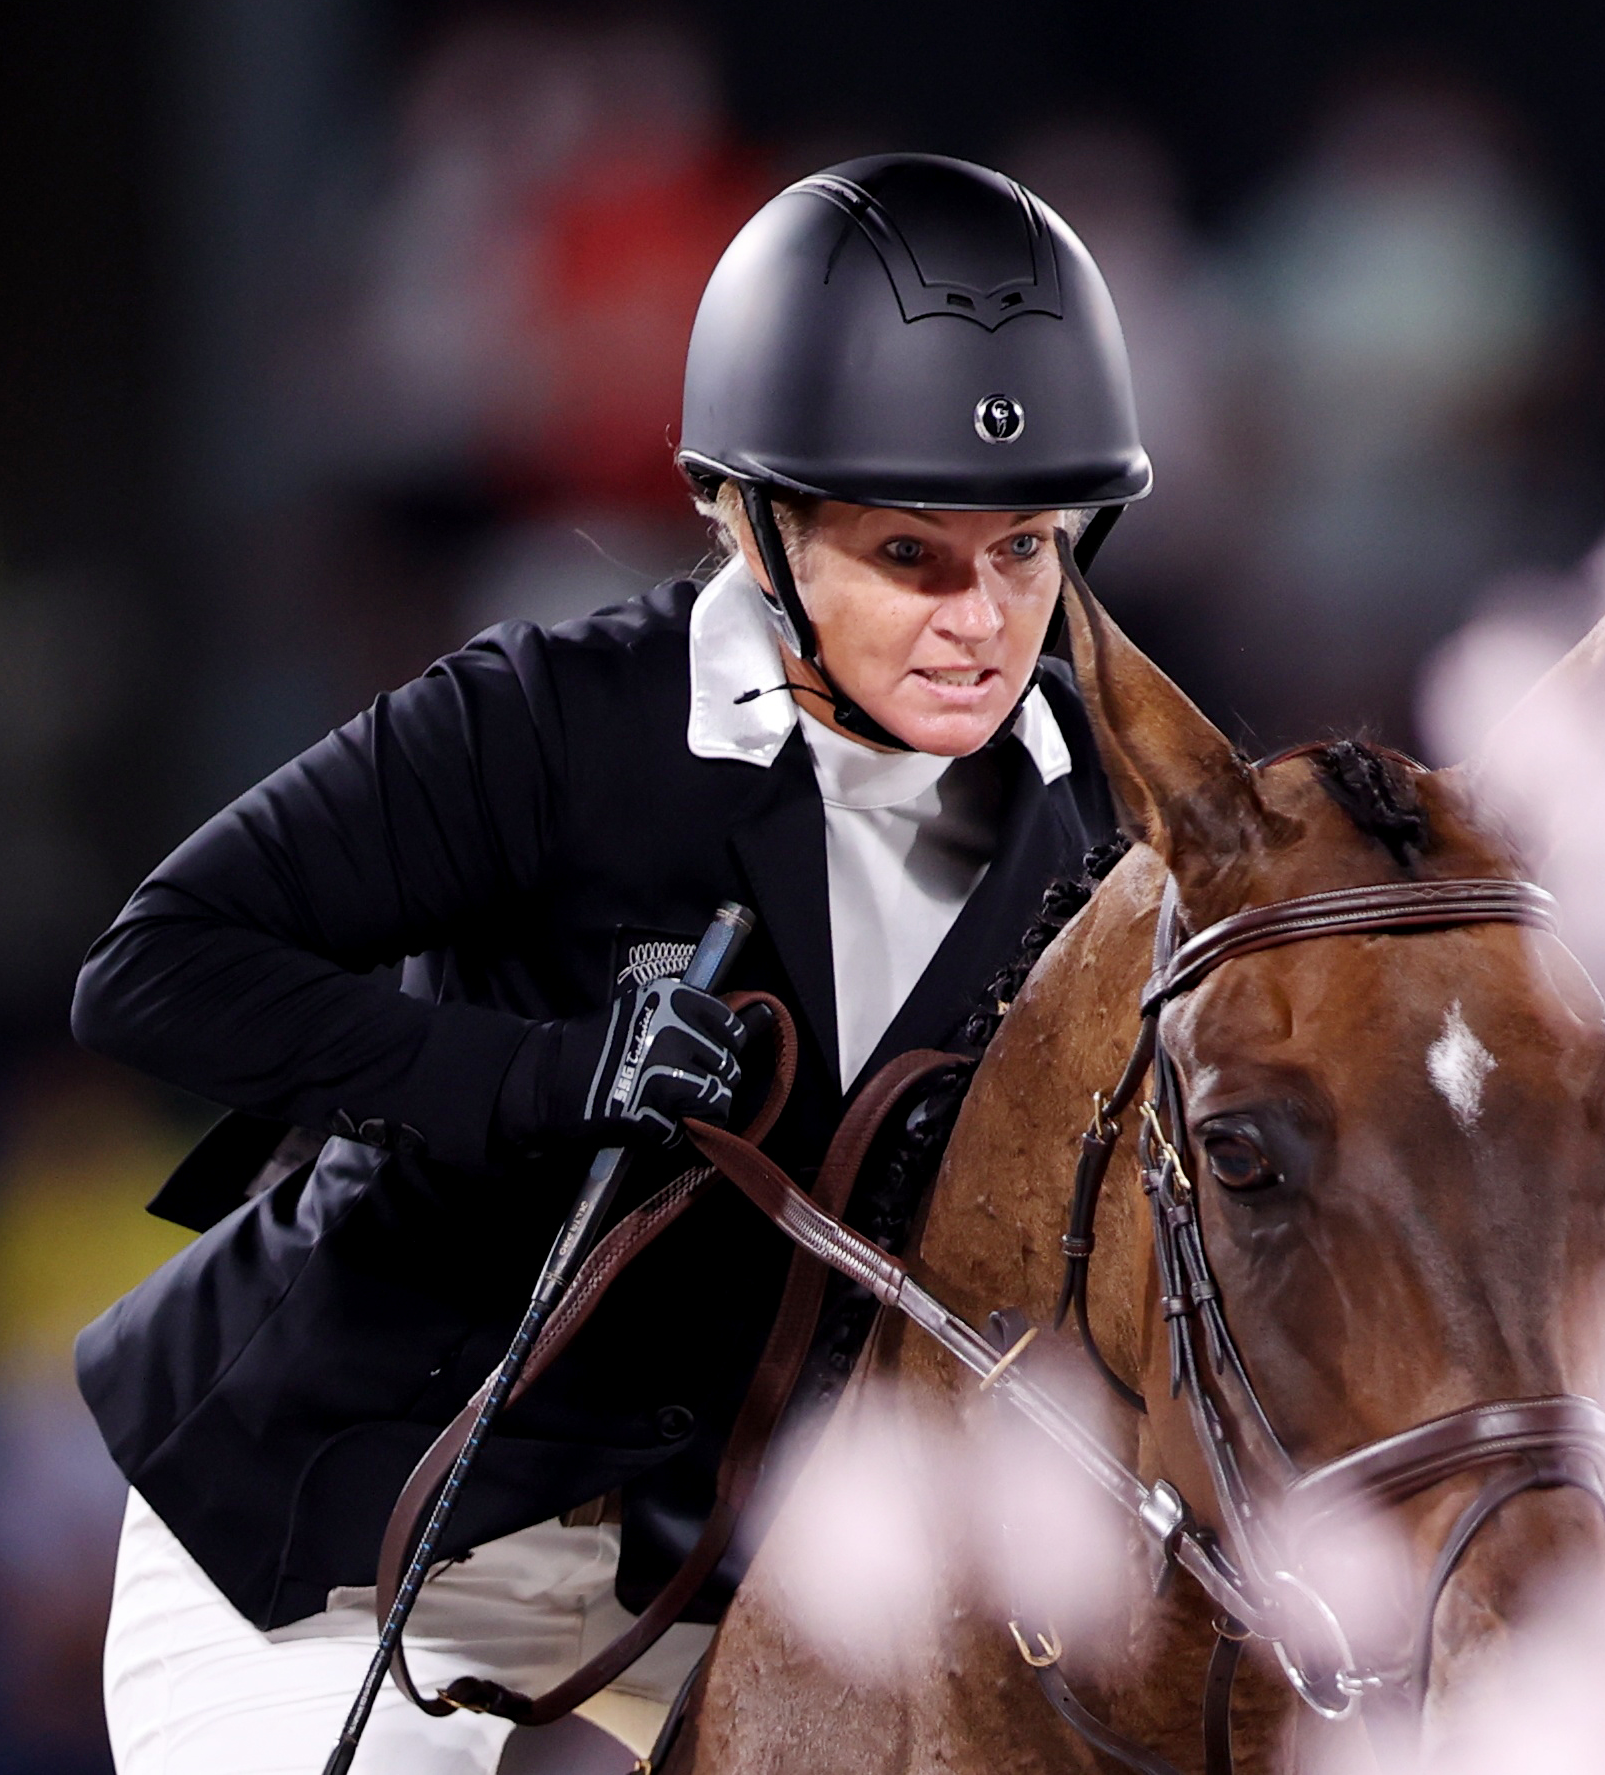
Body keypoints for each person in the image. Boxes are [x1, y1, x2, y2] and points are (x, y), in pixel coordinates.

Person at [72, 153, 1148, 1774]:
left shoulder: (1098, 825)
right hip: (351, 1531)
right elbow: (155, 967)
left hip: (743, 1586)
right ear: (748, 518)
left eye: (1025, 551)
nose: (981, 622)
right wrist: (546, 1072)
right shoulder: (554, 718)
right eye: (909, 556)